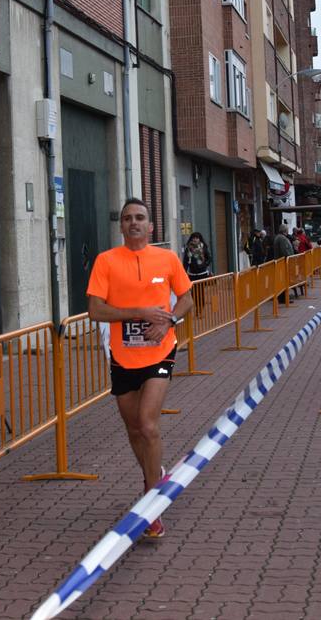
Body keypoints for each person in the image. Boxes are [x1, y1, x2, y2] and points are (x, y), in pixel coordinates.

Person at [86, 198, 195, 538]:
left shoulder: (167, 259)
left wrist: (170, 321)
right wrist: (138, 313)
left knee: (148, 425)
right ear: (121, 226)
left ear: (150, 226)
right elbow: (96, 311)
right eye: (127, 218)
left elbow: (188, 297)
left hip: (160, 351)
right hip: (122, 356)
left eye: (140, 218)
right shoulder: (106, 261)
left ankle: (152, 499)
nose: (133, 223)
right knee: (134, 429)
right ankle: (153, 472)